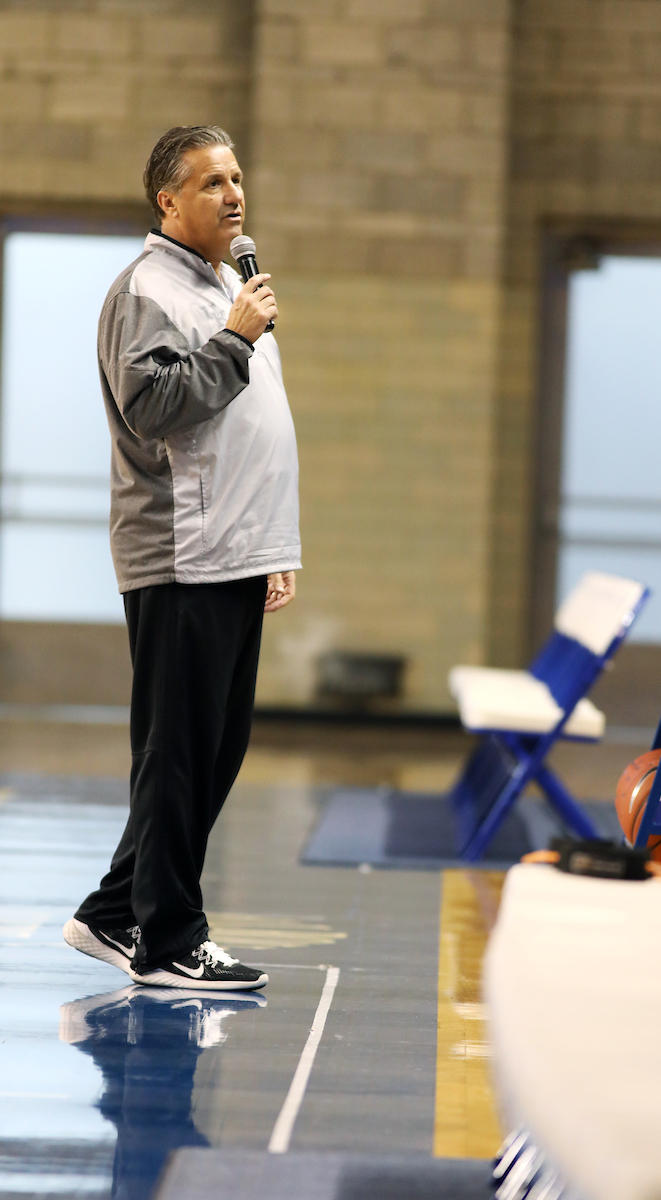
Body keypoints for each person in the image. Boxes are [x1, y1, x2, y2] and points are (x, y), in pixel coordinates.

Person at [63, 125, 299, 990]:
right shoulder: (149, 289)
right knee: (178, 751)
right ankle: (169, 941)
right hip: (181, 549)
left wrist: (273, 542)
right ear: (168, 201)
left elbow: (245, 431)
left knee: (210, 749)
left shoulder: (225, 284)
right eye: (211, 183)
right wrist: (236, 338)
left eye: (237, 178)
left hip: (234, 546)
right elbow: (155, 405)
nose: (234, 195)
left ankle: (114, 912)